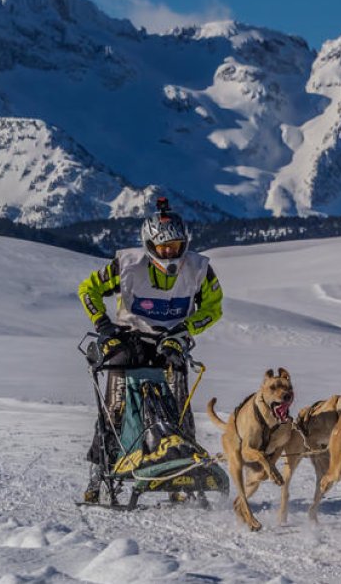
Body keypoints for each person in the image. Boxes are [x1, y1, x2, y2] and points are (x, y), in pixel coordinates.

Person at [77, 197, 223, 502]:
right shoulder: (126, 265)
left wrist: (184, 332)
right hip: (128, 340)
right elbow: (87, 290)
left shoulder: (200, 269)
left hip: (172, 341)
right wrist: (104, 326)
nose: (170, 252)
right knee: (114, 407)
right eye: (163, 247)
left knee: (179, 408)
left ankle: (183, 471)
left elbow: (213, 308)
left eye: (176, 245)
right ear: (149, 244)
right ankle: (102, 474)